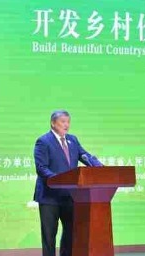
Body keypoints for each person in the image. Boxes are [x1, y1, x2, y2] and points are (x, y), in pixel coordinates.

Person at [33, 110, 101, 256]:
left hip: (70, 195)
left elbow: (85, 155)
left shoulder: (73, 140)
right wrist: (59, 180)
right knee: (49, 235)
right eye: (63, 122)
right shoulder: (43, 141)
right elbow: (41, 168)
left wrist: (100, 168)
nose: (67, 125)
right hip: (49, 196)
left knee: (71, 233)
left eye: (68, 122)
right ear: (53, 123)